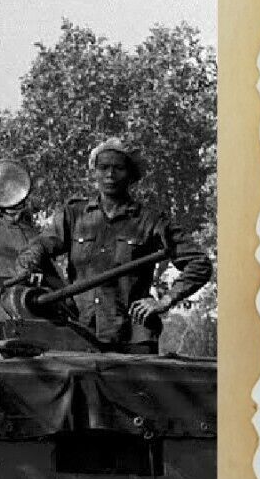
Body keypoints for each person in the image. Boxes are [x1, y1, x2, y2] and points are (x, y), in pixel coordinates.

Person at [11, 137, 212, 354]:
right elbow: (40, 245)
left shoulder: (150, 220)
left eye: (118, 168)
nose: (110, 175)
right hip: (81, 334)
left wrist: (165, 300)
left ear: (131, 175)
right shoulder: (74, 215)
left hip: (133, 337)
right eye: (103, 168)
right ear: (94, 172)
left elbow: (199, 263)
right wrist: (29, 267)